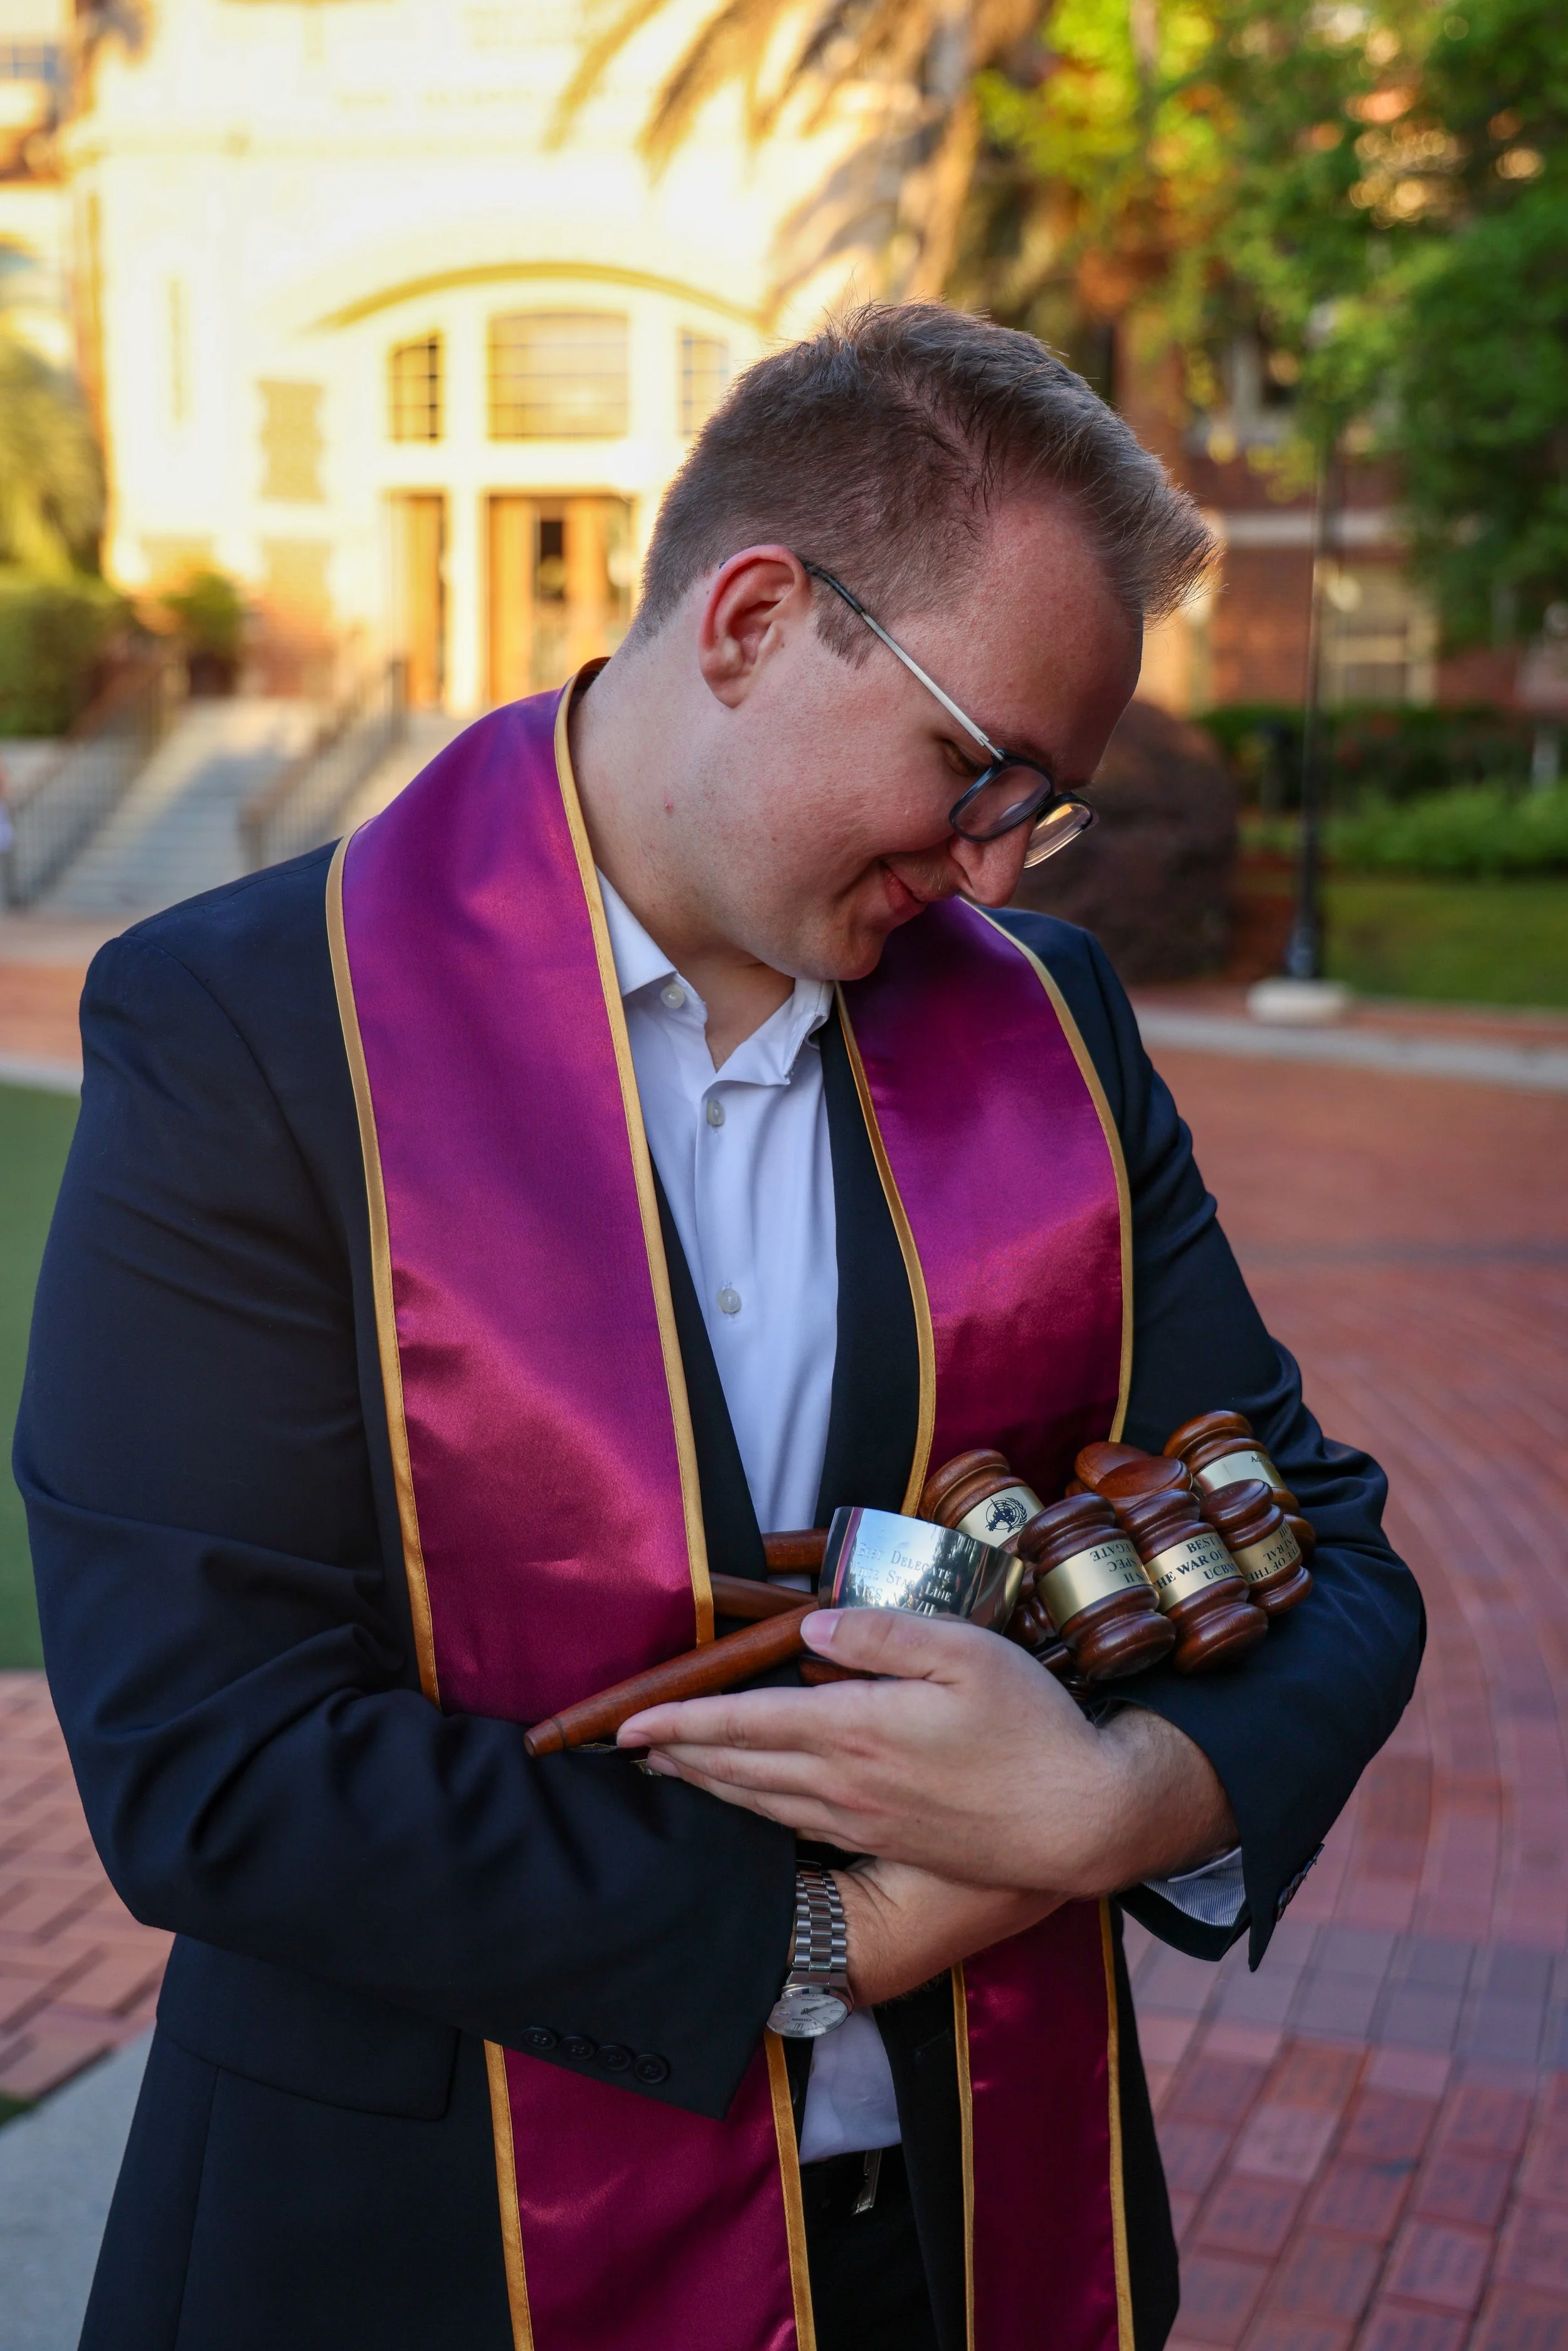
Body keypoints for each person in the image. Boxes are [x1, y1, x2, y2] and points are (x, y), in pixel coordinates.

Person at [18, 304, 1422, 2351]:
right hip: (420, 2240)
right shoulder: (252, 1026)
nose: (998, 866)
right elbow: (208, 1760)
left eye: (1046, 805)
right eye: (975, 768)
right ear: (755, 618)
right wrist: (824, 1928)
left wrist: (1113, 1806)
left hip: (952, 2231)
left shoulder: (1045, 1024)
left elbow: (1321, 1543)